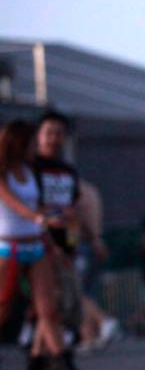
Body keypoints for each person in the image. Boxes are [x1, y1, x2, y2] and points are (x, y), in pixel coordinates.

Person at [0, 121, 96, 370]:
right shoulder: (3, 172)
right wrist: (40, 218)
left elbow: (35, 205)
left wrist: (57, 217)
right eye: (31, 141)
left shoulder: (30, 172)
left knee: (49, 310)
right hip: (9, 247)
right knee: (4, 310)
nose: (35, 147)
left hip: (36, 244)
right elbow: (14, 204)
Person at [32, 111, 85, 347]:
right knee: (49, 306)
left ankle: (47, 358)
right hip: (38, 244)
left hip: (64, 245)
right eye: (48, 132)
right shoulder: (31, 169)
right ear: (38, 135)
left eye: (58, 133)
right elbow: (31, 210)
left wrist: (72, 246)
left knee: (65, 307)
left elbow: (74, 213)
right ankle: (52, 359)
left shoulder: (68, 171)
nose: (53, 138)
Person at [75, 179, 120, 351]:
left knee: (77, 292)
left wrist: (93, 239)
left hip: (80, 244)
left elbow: (80, 218)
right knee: (87, 292)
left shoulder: (77, 191)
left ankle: (104, 321)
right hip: (93, 243)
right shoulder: (92, 190)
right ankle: (88, 336)